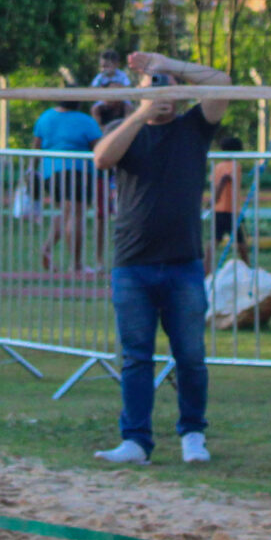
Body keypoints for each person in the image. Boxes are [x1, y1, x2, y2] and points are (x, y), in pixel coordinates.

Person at [91, 50, 230, 465]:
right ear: (139, 93)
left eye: (171, 86)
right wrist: (140, 112)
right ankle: (135, 441)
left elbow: (222, 81)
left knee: (190, 355)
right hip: (132, 264)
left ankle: (192, 434)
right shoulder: (125, 129)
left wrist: (167, 64)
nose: (164, 93)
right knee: (136, 355)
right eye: (156, 85)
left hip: (183, 263)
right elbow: (101, 158)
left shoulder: (194, 128)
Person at [31, 97, 104, 275]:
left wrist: (32, 172)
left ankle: (47, 248)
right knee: (76, 215)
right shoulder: (86, 121)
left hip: (50, 172)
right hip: (78, 170)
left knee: (66, 212)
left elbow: (36, 146)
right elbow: (100, 148)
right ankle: (76, 264)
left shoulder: (45, 117)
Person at [206, 132, 243, 275]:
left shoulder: (218, 166)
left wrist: (213, 200)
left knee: (214, 241)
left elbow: (215, 182)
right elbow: (224, 180)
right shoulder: (234, 165)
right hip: (229, 209)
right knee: (241, 243)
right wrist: (215, 197)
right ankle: (249, 269)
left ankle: (206, 269)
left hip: (220, 209)